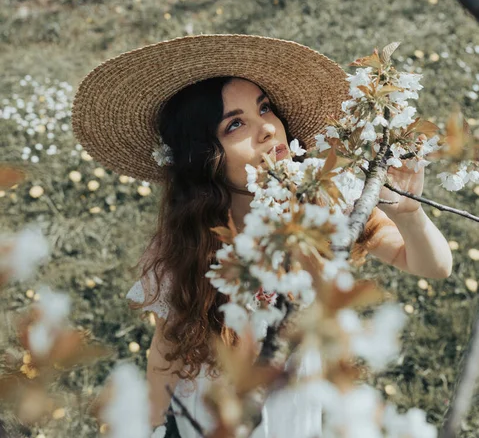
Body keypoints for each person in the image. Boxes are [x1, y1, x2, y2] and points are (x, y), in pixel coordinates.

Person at [72, 34, 453, 438]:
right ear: (205, 157)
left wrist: (409, 215)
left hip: (293, 405)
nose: (268, 129)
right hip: (211, 414)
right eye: (235, 124)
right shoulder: (190, 244)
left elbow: (434, 266)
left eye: (265, 108)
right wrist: (149, 426)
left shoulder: (322, 200)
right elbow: (166, 350)